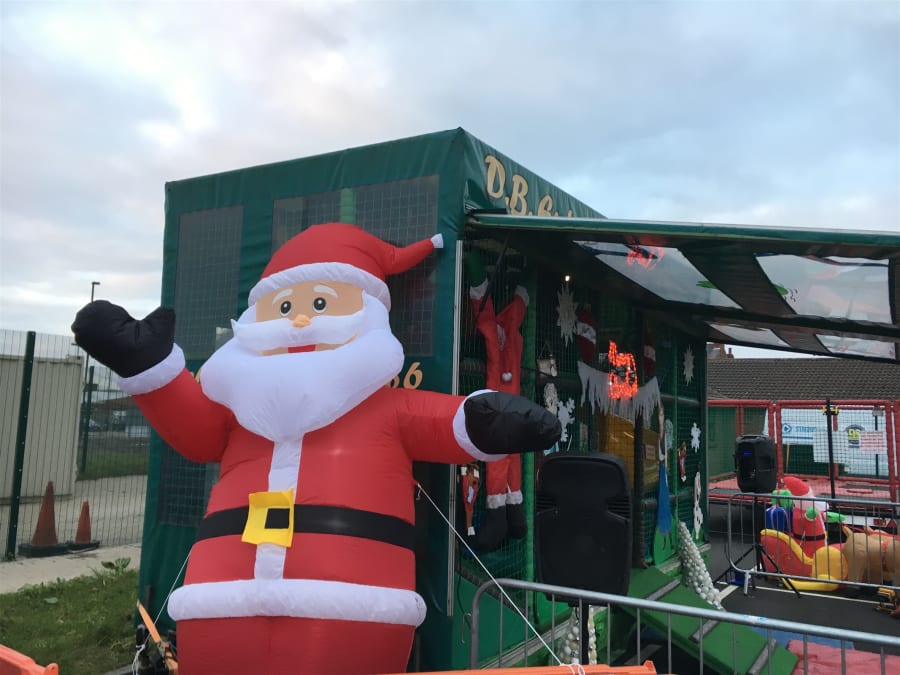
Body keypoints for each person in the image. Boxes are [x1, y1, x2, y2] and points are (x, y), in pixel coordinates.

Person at [72, 223, 560, 675]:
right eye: (283, 308)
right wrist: (148, 368)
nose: (301, 319)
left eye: (322, 304)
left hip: (349, 609)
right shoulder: (238, 411)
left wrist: (488, 420)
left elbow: (442, 422)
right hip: (222, 601)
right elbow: (196, 433)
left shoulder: (386, 408)